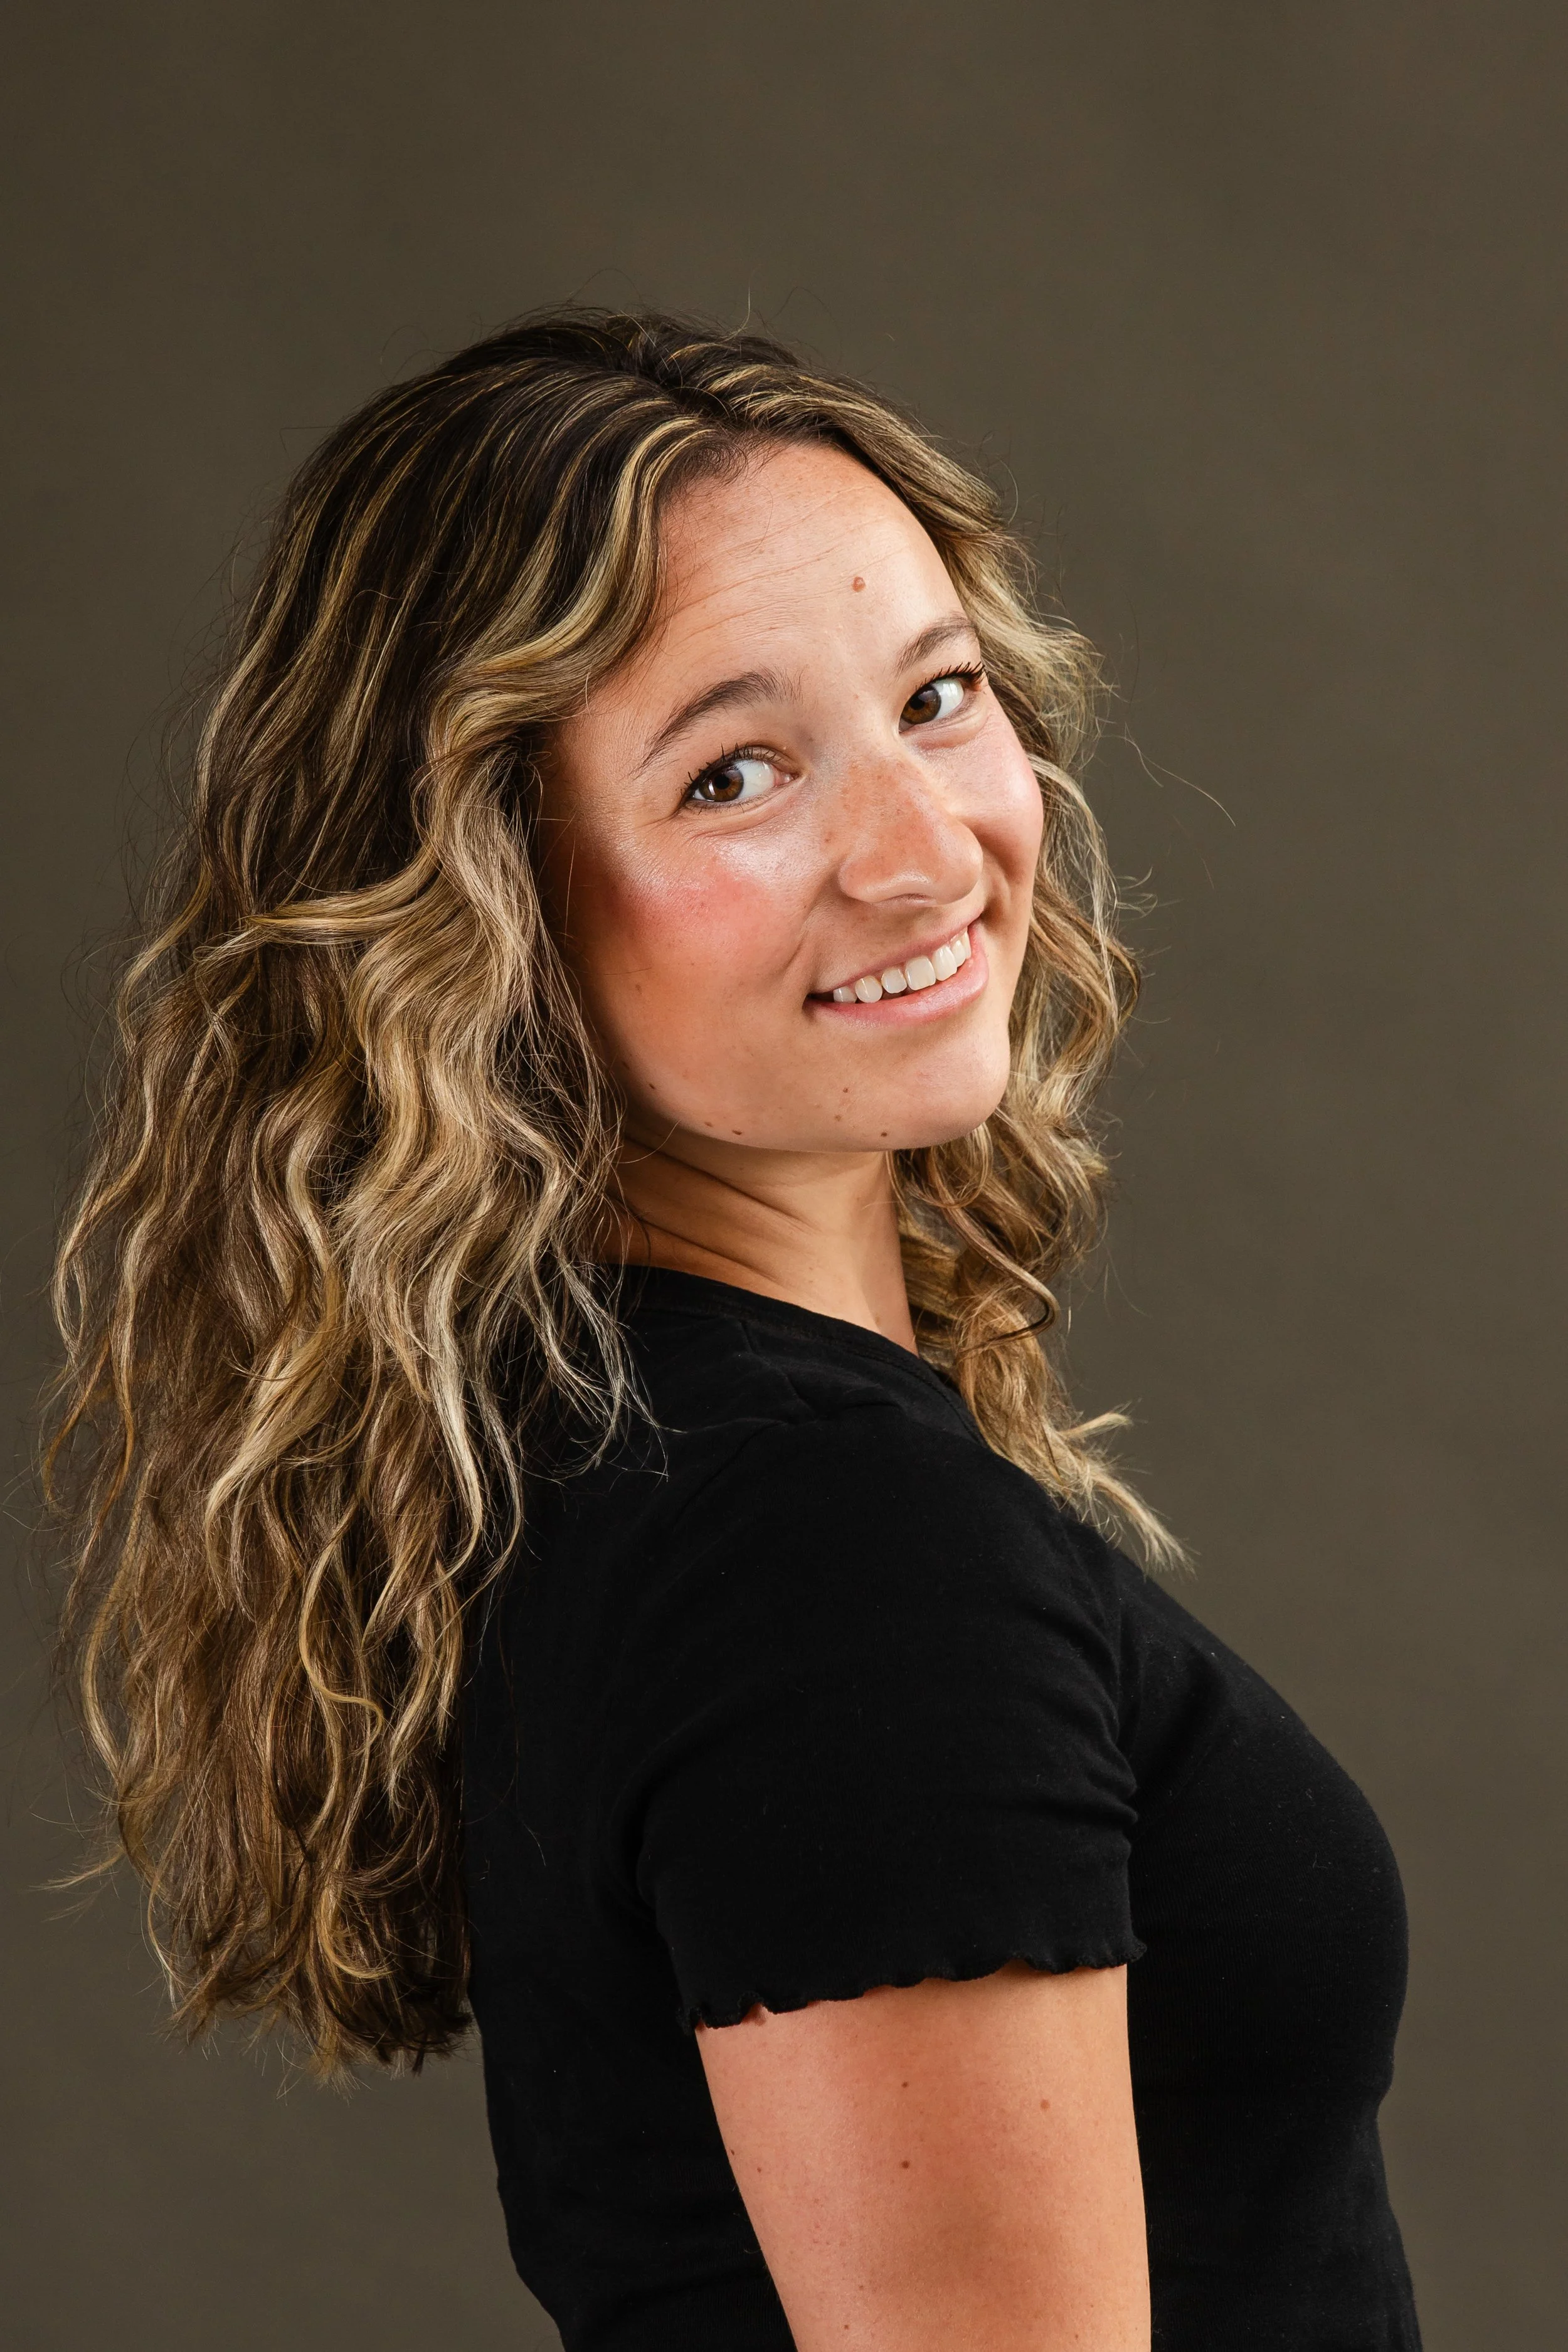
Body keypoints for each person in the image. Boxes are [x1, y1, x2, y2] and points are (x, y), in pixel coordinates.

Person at [48, 310, 1421, 2351]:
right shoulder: (828, 1552)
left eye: (937, 698)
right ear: (491, 910)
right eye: (735, 774)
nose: (924, 849)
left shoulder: (651, 1467)